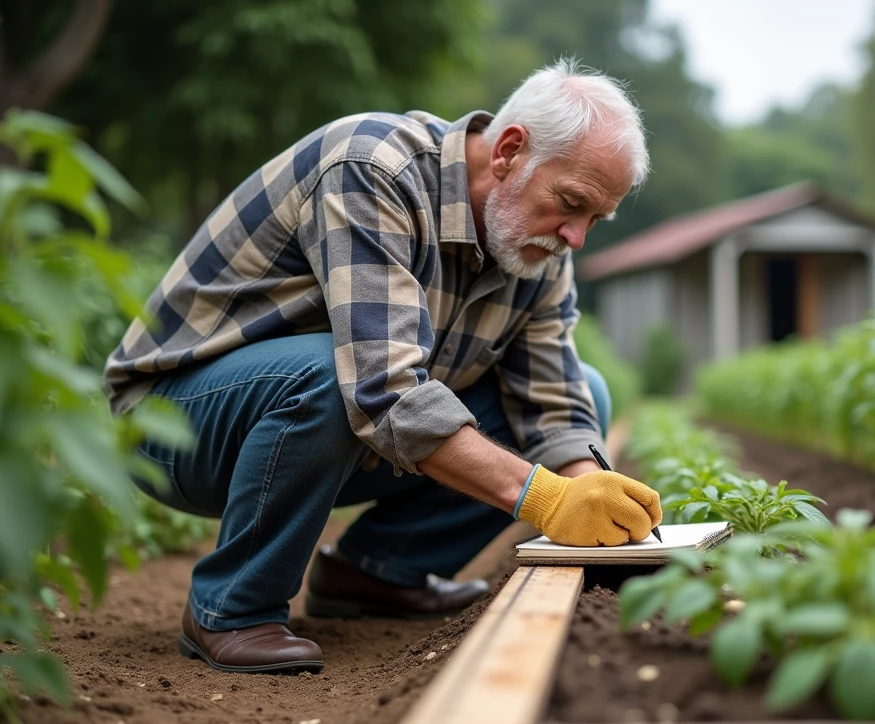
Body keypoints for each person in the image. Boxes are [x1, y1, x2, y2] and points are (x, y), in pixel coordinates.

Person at [103, 59, 663, 675]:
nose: (576, 237)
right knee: (331, 372)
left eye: (594, 219)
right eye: (572, 203)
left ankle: (374, 573)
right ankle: (233, 607)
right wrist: (548, 500)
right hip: (174, 423)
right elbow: (384, 389)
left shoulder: (540, 247)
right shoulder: (372, 168)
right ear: (509, 150)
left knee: (590, 393)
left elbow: (554, 400)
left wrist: (589, 490)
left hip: (324, 432)